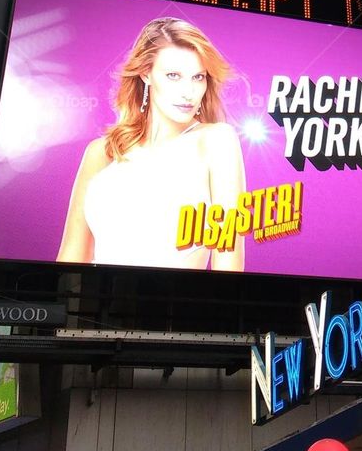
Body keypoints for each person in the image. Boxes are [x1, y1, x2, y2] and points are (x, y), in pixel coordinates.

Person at [57, 18, 245, 271]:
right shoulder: (103, 152)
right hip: (94, 304)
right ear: (146, 73)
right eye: (173, 76)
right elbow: (71, 258)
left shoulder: (216, 140)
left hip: (176, 305)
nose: (188, 91)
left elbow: (228, 260)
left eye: (198, 77)